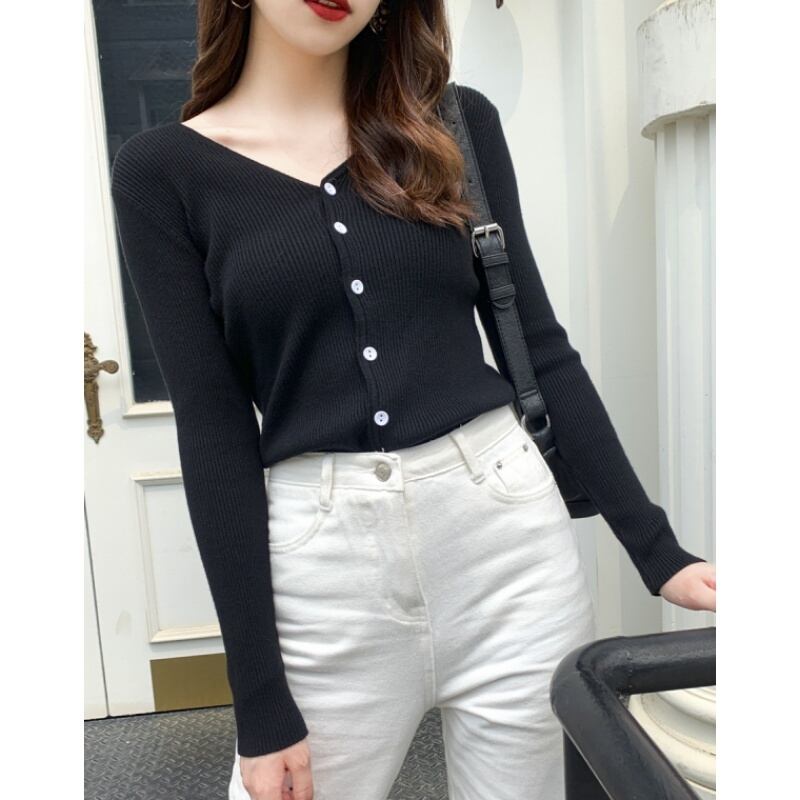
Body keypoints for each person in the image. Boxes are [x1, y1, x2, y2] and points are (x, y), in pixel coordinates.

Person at [109, 1, 717, 798]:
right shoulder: (162, 172)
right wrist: (258, 699)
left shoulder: (455, 124)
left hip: (508, 548)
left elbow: (538, 343)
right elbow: (213, 425)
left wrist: (656, 549)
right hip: (325, 569)